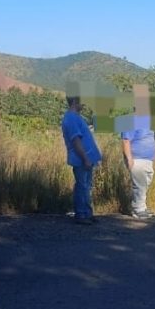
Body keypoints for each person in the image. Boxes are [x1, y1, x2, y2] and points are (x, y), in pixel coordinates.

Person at [61, 96, 102, 225]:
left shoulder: (77, 117)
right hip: (81, 160)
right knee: (82, 186)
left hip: (86, 159)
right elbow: (76, 140)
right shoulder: (72, 118)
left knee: (86, 187)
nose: (84, 104)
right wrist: (85, 158)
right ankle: (81, 214)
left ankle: (87, 213)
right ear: (74, 102)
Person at [121, 127, 155, 219]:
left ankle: (142, 207)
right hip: (136, 159)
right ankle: (138, 209)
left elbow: (151, 139)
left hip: (148, 159)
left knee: (145, 184)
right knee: (139, 185)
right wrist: (129, 158)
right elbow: (126, 141)